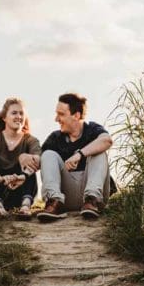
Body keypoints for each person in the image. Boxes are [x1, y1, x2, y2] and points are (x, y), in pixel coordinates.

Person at [37, 92, 113, 221]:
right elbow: (40, 161)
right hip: (66, 197)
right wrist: (26, 159)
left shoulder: (93, 129)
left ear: (76, 115)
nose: (56, 119)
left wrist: (80, 154)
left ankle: (91, 200)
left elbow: (107, 140)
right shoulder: (55, 137)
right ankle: (54, 202)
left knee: (99, 151)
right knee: (48, 154)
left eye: (61, 114)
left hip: (93, 195)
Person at [0, 97, 42, 219]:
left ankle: (25, 208)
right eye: (14, 113)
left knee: (30, 161)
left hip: (20, 191)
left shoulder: (30, 140)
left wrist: (23, 175)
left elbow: (38, 160)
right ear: (4, 118)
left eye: (21, 113)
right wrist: (1, 179)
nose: (19, 116)